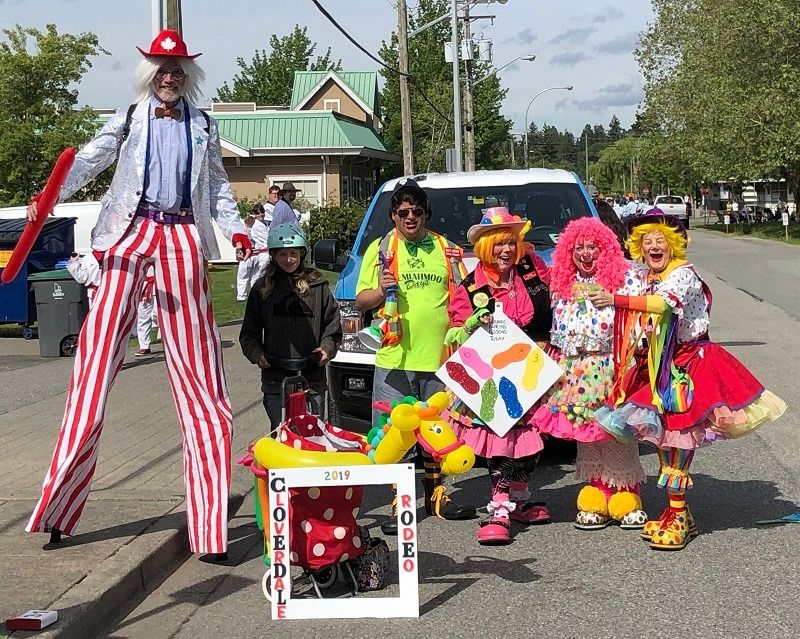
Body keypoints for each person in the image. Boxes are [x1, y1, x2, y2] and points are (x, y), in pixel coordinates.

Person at [25, 29, 251, 559]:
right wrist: (49, 193)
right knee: (93, 368)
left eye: (176, 68)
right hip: (126, 237)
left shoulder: (203, 124)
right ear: (149, 72)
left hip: (180, 237)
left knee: (201, 381)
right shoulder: (129, 118)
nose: (168, 76)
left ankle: (210, 524)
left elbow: (216, 187)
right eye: (161, 68)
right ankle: (59, 508)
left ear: (187, 74)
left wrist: (237, 230)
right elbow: (86, 160)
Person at [589, 209, 786, 550]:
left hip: (688, 367)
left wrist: (614, 299)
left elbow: (662, 306)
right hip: (657, 365)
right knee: (665, 440)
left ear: (673, 245)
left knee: (678, 438)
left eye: (660, 241)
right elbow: (618, 270)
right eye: (647, 241)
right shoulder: (647, 274)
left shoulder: (683, 275)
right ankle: (677, 513)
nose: (654, 246)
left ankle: (678, 515)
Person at [355, 179, 475, 534]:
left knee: (438, 431)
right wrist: (381, 290)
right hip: (393, 358)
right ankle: (400, 499)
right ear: (393, 215)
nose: (410, 217)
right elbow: (362, 300)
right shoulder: (381, 250)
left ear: (426, 214)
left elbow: (464, 300)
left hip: (439, 358)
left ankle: (437, 494)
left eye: (417, 211)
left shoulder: (447, 249)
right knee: (395, 432)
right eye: (403, 212)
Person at [445, 208, 553, 545]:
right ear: (484, 247)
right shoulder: (471, 284)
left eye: (511, 243)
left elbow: (558, 292)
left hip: (536, 368)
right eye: (498, 244)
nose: (505, 251)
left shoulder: (532, 269)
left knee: (534, 441)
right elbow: (456, 328)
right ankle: (500, 507)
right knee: (501, 442)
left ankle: (519, 498)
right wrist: (474, 324)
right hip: (496, 374)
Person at [533, 217, 648, 531]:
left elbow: (643, 317)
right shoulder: (560, 284)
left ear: (606, 249)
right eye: (578, 247)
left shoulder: (626, 280)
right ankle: (597, 493)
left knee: (616, 433)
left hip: (611, 370)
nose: (585, 254)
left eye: (592, 247)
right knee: (586, 434)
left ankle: (625, 494)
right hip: (574, 373)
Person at [239, 222, 341, 429]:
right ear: (273, 256)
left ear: (302, 254)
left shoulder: (317, 285)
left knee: (313, 432)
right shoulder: (263, 289)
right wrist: (256, 354)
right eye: (282, 254)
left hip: (311, 375)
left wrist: (327, 348)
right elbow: (249, 332)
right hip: (276, 375)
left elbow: (332, 324)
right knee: (280, 432)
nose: (288, 260)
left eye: (293, 254)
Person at [133, 263, 157, 356]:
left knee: (157, 315)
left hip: (159, 285)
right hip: (144, 286)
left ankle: (171, 343)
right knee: (143, 317)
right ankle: (144, 346)